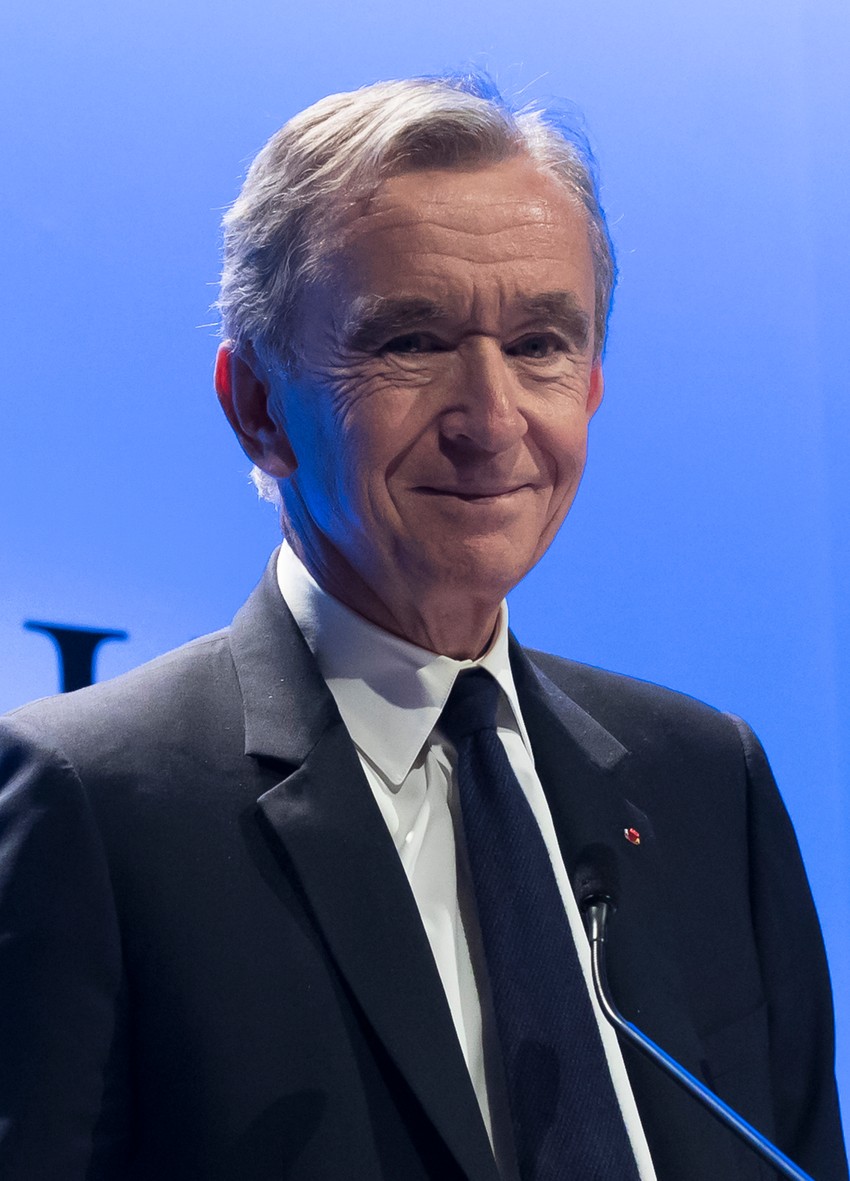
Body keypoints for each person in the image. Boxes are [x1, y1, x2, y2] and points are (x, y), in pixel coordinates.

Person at [0, 73, 846, 1181]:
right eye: (410, 341)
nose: (492, 420)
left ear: (591, 385)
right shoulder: (93, 803)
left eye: (539, 343)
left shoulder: (704, 777)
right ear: (258, 406)